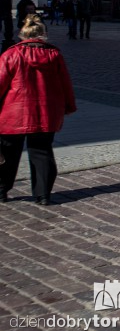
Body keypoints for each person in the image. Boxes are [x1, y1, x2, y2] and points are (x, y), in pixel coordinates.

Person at [0, 15, 77, 205]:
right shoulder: (54, 55)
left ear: (22, 35)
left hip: (14, 113)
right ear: (43, 35)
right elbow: (65, 83)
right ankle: (42, 194)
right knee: (42, 152)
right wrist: (69, 106)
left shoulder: (11, 54)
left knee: (8, 153)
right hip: (46, 112)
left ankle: (1, 190)